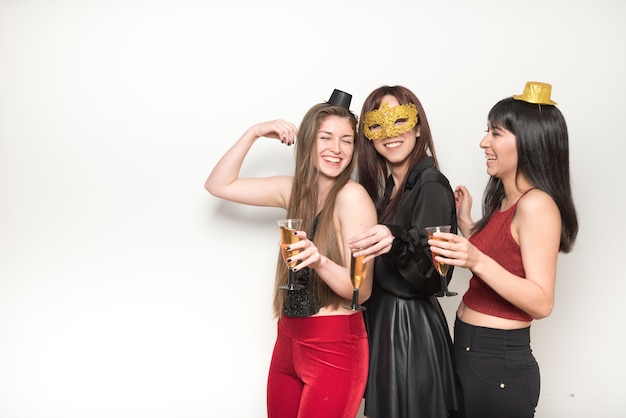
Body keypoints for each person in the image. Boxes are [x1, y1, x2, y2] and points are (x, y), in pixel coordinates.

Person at [204, 89, 378, 418]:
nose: (336, 150)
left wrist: (320, 260)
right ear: (309, 142)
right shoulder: (294, 188)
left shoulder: (352, 198)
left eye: (346, 140)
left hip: (333, 347)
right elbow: (218, 184)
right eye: (326, 138)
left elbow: (362, 289)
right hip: (288, 338)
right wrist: (254, 132)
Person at [428, 81, 579, 417]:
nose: (484, 143)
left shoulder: (537, 204)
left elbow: (541, 301)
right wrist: (468, 224)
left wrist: (475, 258)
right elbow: (504, 258)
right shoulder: (506, 200)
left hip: (498, 363)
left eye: (495, 134)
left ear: (528, 141)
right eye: (488, 132)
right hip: (470, 352)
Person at [348, 85, 463, 417]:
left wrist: (395, 240)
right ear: (368, 136)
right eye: (377, 125)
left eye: (398, 120)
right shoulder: (390, 190)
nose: (389, 133)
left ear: (417, 126)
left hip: (409, 330)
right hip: (387, 324)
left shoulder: (430, 184)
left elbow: (432, 277)